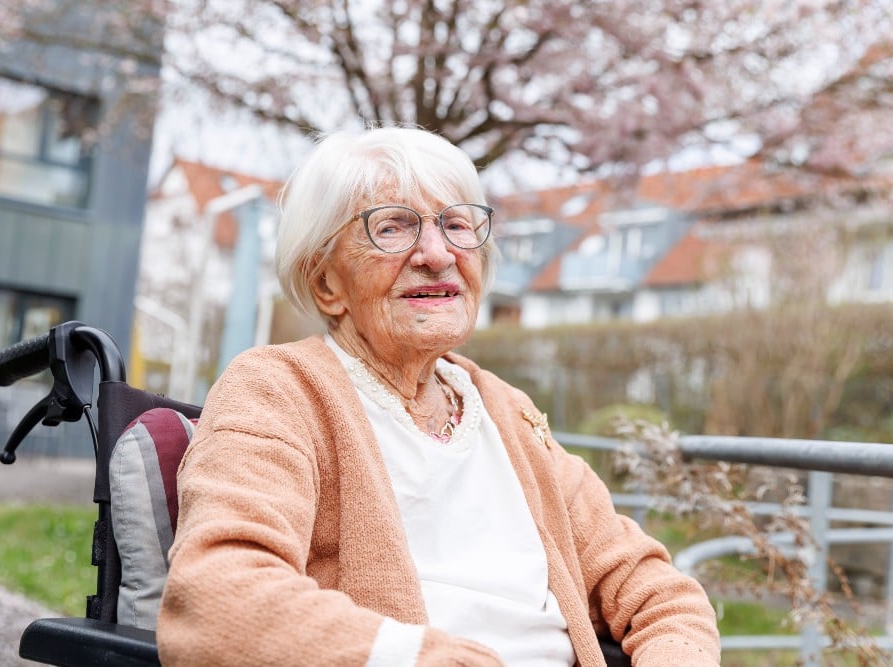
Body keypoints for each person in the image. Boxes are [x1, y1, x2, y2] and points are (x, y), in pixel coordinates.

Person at [156, 126, 721, 666]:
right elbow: (218, 596)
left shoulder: (509, 412)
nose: (438, 252)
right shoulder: (278, 392)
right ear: (327, 283)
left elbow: (661, 593)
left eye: (457, 225)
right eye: (394, 226)